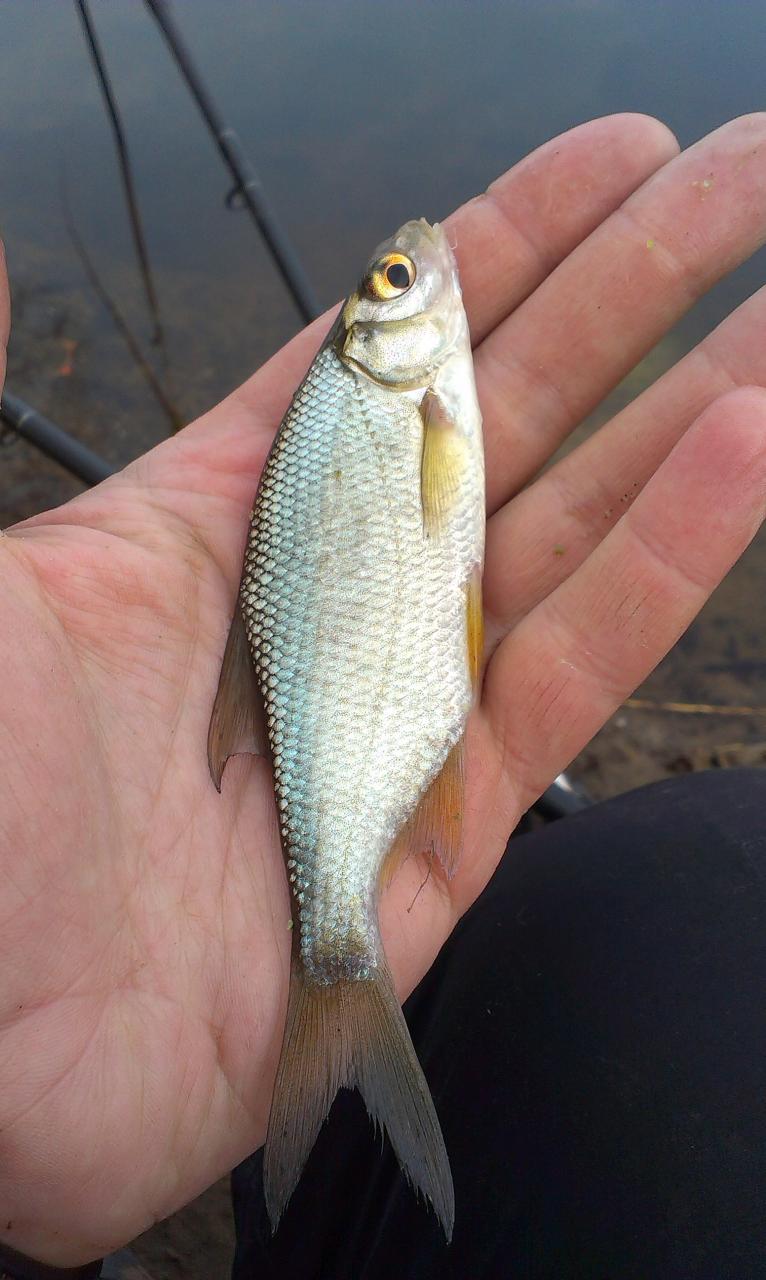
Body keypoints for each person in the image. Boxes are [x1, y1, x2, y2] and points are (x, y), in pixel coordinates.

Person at [0, 112, 764, 1280]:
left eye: (392, 275)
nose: (414, 267)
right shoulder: (378, 397)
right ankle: (336, 980)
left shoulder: (386, 395)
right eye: (396, 280)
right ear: (373, 332)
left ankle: (329, 1048)